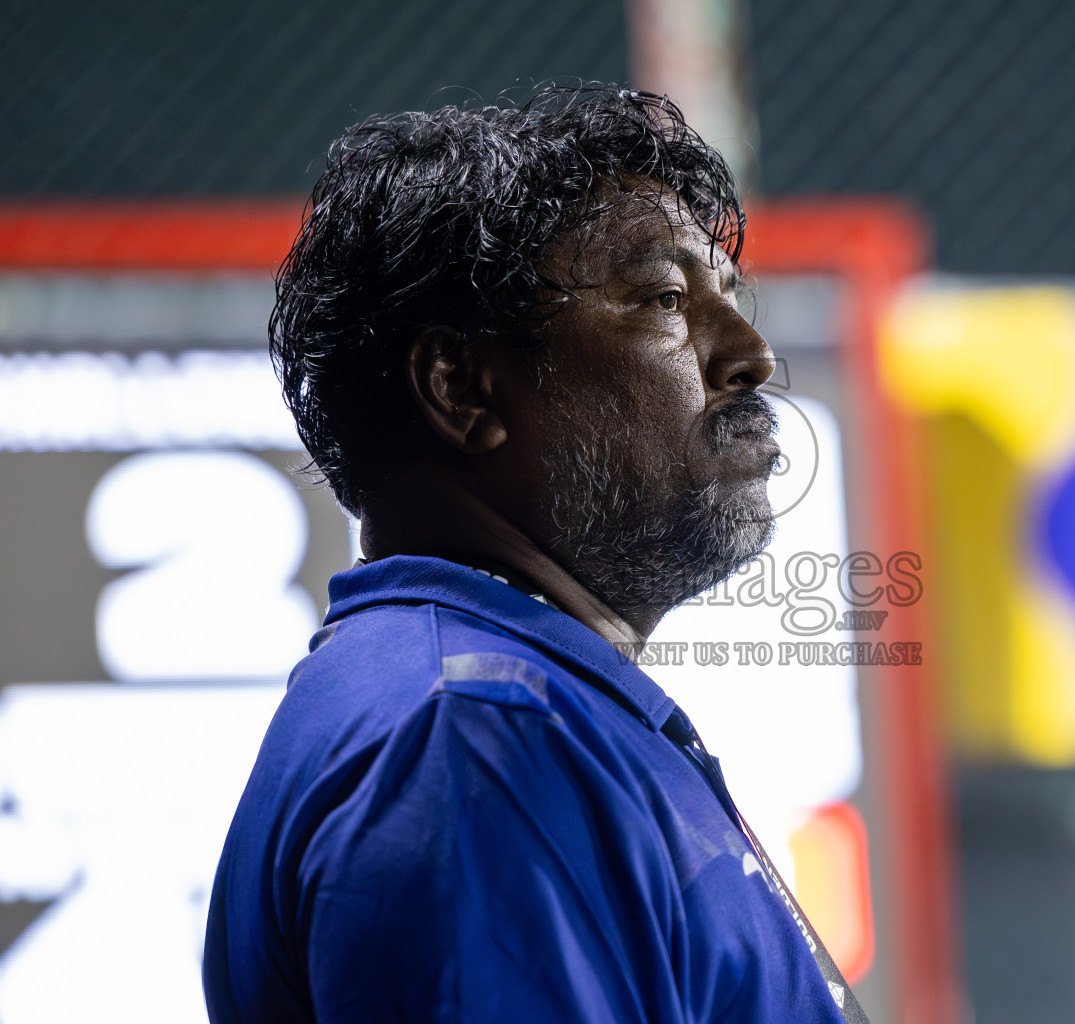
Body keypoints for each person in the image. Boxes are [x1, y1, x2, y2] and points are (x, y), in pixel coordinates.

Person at [201, 85, 867, 1024]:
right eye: (666, 298)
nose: (752, 354)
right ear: (462, 387)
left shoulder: (502, 706)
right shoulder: (472, 737)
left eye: (731, 297)